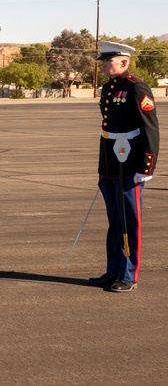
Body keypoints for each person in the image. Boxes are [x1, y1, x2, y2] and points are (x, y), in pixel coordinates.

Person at [89, 41, 159, 292]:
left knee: (129, 221)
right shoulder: (109, 89)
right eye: (104, 62)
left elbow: (150, 128)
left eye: (109, 61)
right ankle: (113, 270)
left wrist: (146, 166)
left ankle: (129, 275)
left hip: (129, 164)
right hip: (110, 161)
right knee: (114, 221)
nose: (105, 66)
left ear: (124, 62)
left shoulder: (136, 87)